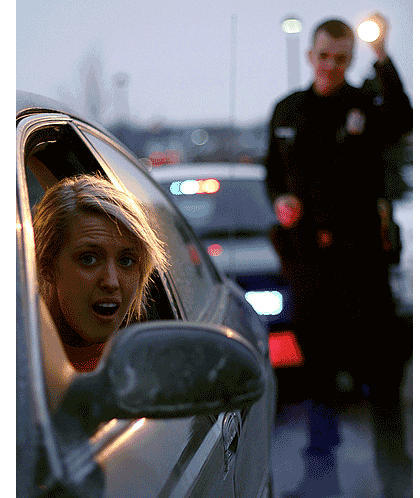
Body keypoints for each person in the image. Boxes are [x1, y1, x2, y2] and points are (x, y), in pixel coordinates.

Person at [265, 14, 412, 496]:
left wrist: (383, 55)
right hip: (311, 268)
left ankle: (397, 479)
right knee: (318, 378)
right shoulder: (287, 111)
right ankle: (320, 480)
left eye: (341, 59)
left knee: (383, 378)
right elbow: (272, 174)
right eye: (324, 56)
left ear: (350, 60)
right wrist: (280, 200)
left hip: (362, 268)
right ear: (311, 56)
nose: (330, 66)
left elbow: (404, 118)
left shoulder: (364, 106)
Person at [32, 174, 168, 372]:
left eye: (126, 261)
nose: (111, 282)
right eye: (89, 259)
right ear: (47, 266)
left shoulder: (144, 369)